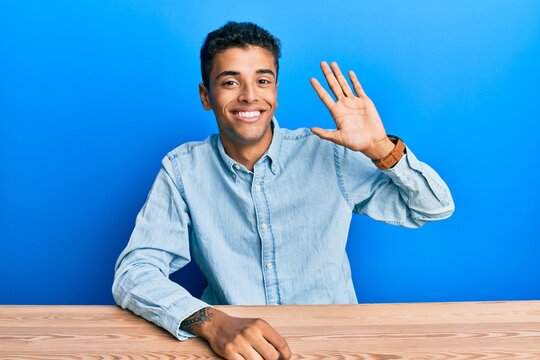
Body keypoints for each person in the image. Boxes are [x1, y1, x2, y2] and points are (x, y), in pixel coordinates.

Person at [112, 21, 454, 360]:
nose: (249, 95)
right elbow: (134, 273)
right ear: (206, 96)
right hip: (233, 351)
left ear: (275, 90)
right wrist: (213, 323)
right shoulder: (183, 170)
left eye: (262, 81)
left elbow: (433, 208)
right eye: (230, 82)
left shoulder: (329, 154)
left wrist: (381, 148)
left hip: (335, 345)